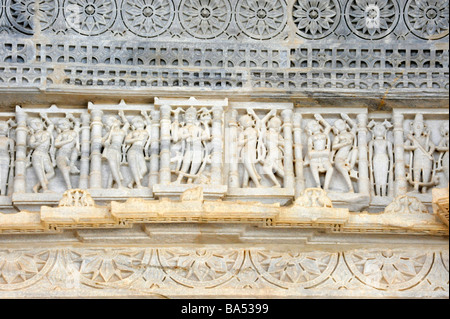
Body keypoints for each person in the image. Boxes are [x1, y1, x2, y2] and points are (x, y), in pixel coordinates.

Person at [28, 113, 56, 193]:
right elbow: (31, 144)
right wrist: (41, 141)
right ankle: (45, 189)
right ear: (32, 127)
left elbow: (51, 125)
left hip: (45, 154)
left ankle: (36, 186)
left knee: (51, 172)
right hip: (37, 154)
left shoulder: (46, 132)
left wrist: (45, 117)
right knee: (40, 172)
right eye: (35, 124)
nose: (37, 124)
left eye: (39, 122)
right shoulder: (34, 135)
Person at [102, 111, 129, 189]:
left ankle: (109, 186)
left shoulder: (122, 131)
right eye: (113, 121)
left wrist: (122, 116)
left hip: (118, 150)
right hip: (111, 149)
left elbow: (127, 124)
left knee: (115, 168)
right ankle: (120, 185)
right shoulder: (111, 132)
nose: (115, 122)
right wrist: (105, 143)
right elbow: (103, 140)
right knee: (113, 167)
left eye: (115, 120)